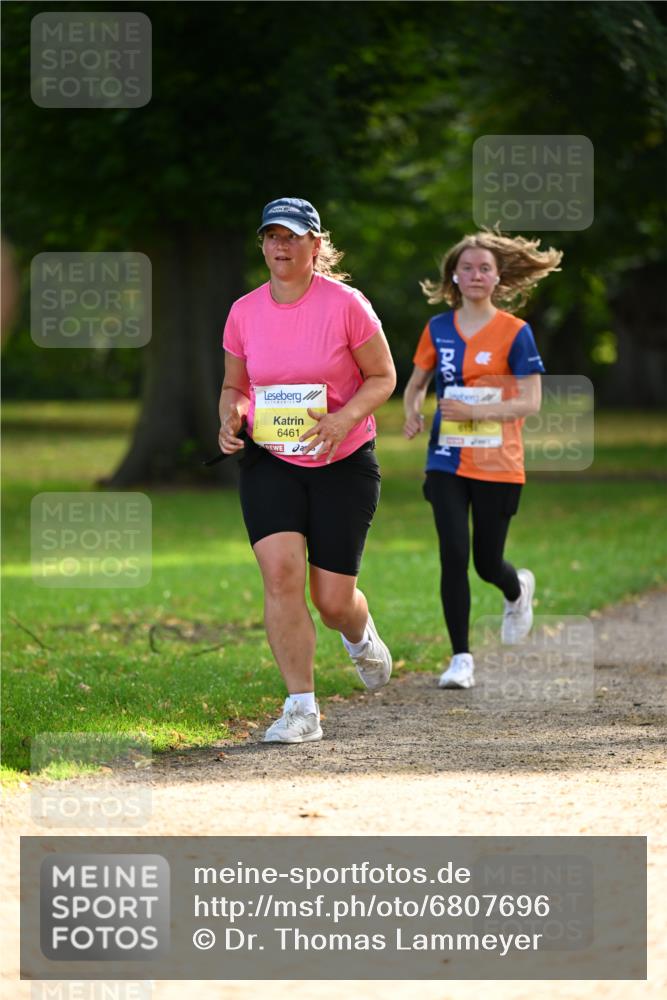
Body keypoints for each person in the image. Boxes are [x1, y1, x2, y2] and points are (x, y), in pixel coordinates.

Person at [218, 197, 396, 743]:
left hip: (342, 463)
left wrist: (343, 420)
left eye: (293, 237)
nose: (281, 247)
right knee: (280, 575)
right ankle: (301, 709)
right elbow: (235, 386)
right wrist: (231, 417)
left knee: (332, 601)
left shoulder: (346, 304)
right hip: (271, 460)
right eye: (272, 237)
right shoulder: (244, 311)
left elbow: (383, 377)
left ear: (316, 245)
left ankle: (360, 634)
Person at [403, 230, 562, 689]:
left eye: (485, 268)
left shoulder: (516, 332)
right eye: (468, 267)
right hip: (446, 460)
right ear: (454, 274)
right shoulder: (437, 329)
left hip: (498, 462)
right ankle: (461, 659)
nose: (476, 275)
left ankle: (517, 591)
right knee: (452, 554)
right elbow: (416, 384)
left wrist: (476, 410)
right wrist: (413, 413)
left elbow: (530, 402)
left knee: (486, 563)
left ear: (498, 277)